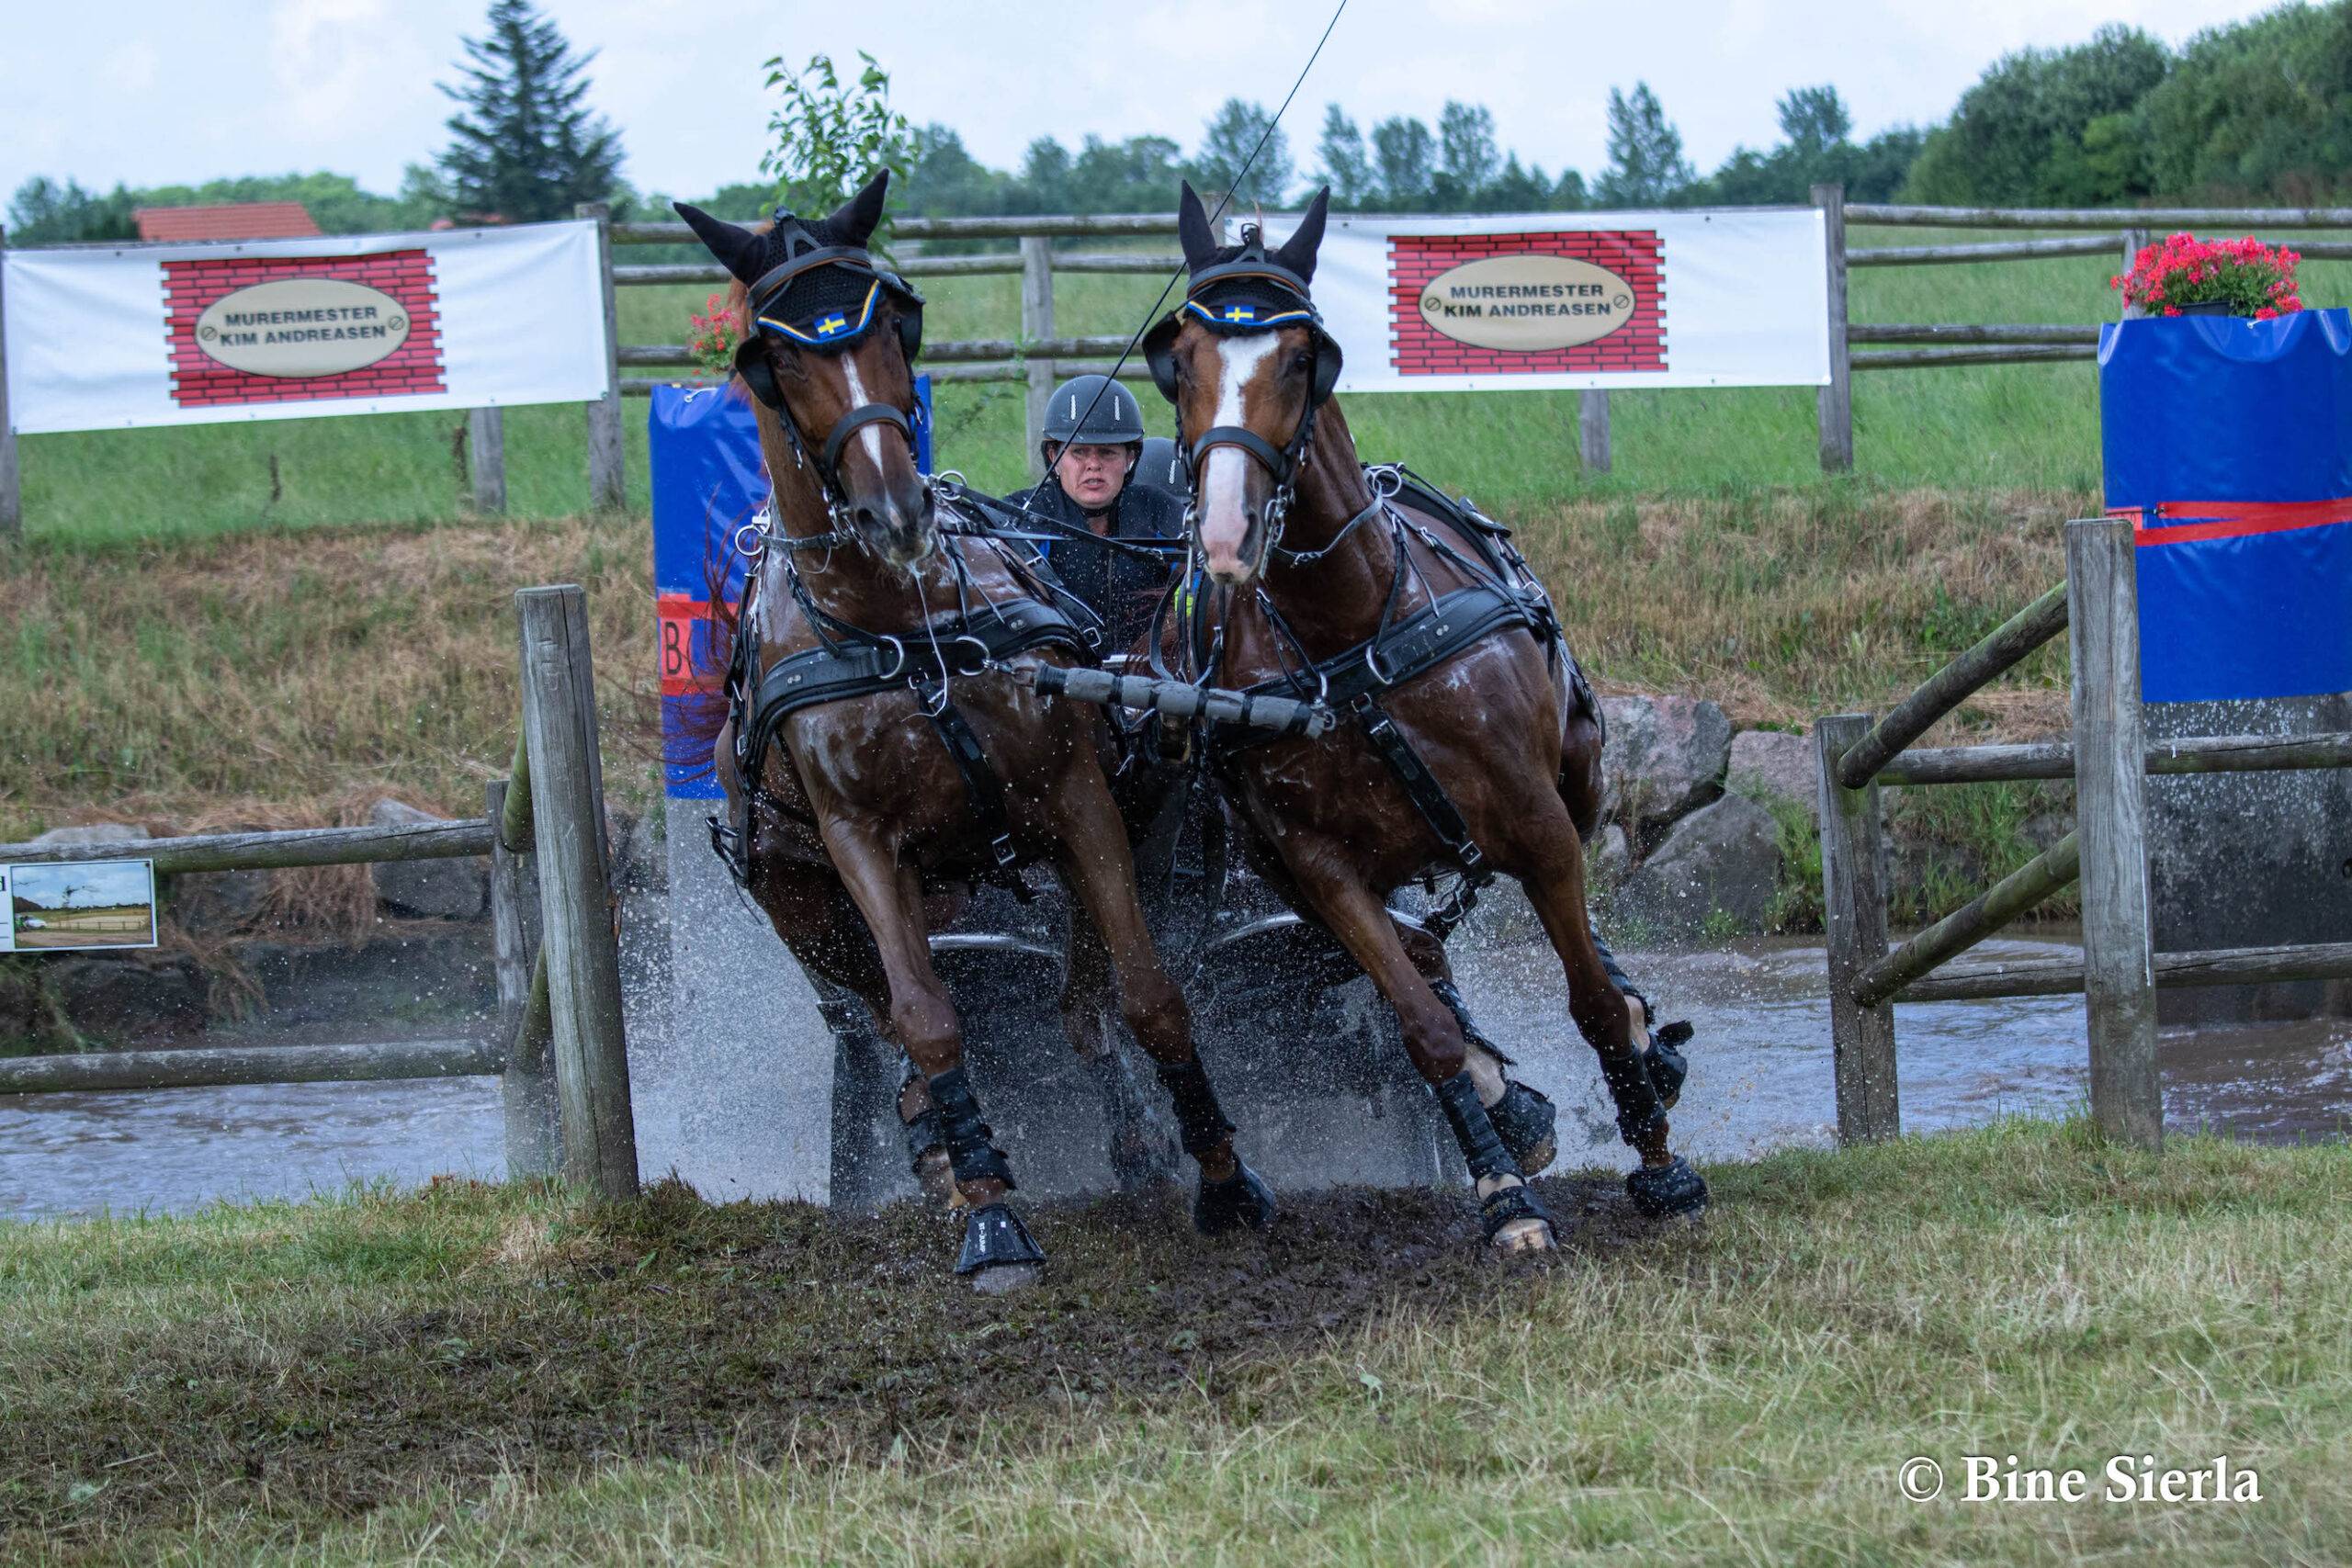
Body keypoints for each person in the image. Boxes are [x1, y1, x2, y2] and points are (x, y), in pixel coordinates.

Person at [1006, 375, 1183, 654]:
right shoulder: (1023, 514)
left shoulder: (1157, 510)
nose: (1093, 465)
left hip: (1151, 672)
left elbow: (1204, 578)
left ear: (1130, 458)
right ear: (1054, 457)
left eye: (1107, 453)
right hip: (1056, 673)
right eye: (1079, 452)